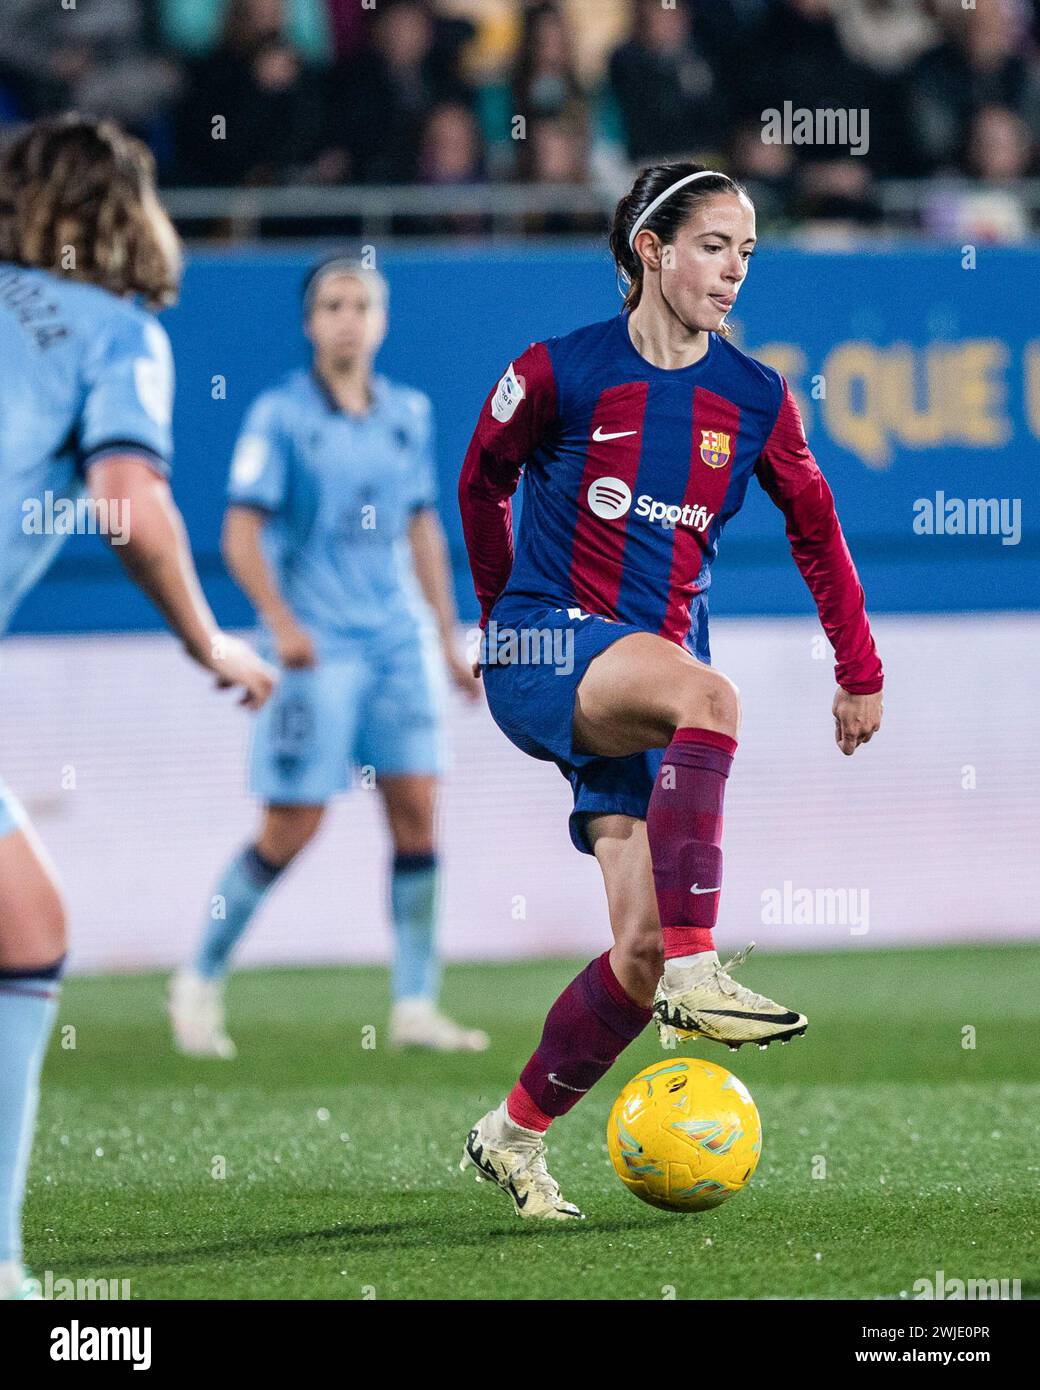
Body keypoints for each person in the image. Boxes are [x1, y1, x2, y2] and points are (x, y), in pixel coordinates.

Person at [457, 163, 884, 1219]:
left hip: (639, 679)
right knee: (713, 700)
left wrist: (857, 665)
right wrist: (496, 618)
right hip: (548, 648)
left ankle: (510, 1135)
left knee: (633, 953)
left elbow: (814, 524)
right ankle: (703, 971)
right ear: (650, 249)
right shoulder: (559, 371)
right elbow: (481, 478)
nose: (733, 269)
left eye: (746, 250)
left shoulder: (751, 396)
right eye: (711, 245)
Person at [0, 114, 275, 1299]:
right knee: (23, 937)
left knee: (23, 929)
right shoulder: (118, 332)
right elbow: (127, 495)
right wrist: (207, 634)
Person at [170, 256, 488, 1058]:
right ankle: (198, 978)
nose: (348, 318)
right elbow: (239, 533)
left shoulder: (407, 413)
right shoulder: (279, 416)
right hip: (317, 649)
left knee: (417, 809)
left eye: (362, 304)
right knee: (291, 826)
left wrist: (447, 639)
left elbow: (422, 528)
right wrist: (281, 624)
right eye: (332, 305)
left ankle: (416, 1005)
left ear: (381, 321)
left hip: (396, 641)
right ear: (310, 323)